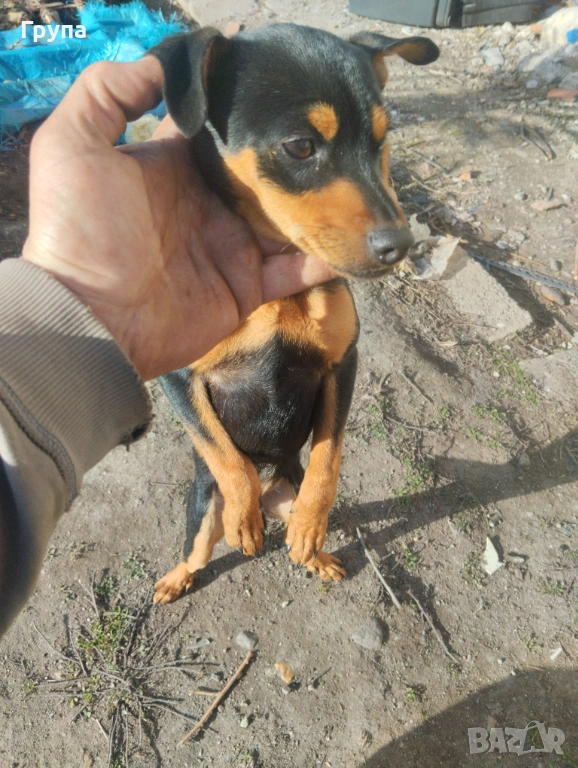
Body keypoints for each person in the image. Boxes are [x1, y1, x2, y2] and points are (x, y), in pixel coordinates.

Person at [0, 55, 336, 638]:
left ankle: (307, 550)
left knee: (300, 516)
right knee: (203, 540)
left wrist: (315, 487)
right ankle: (187, 566)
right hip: (221, 473)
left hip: (285, 467)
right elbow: (182, 384)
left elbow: (337, 368)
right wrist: (234, 479)